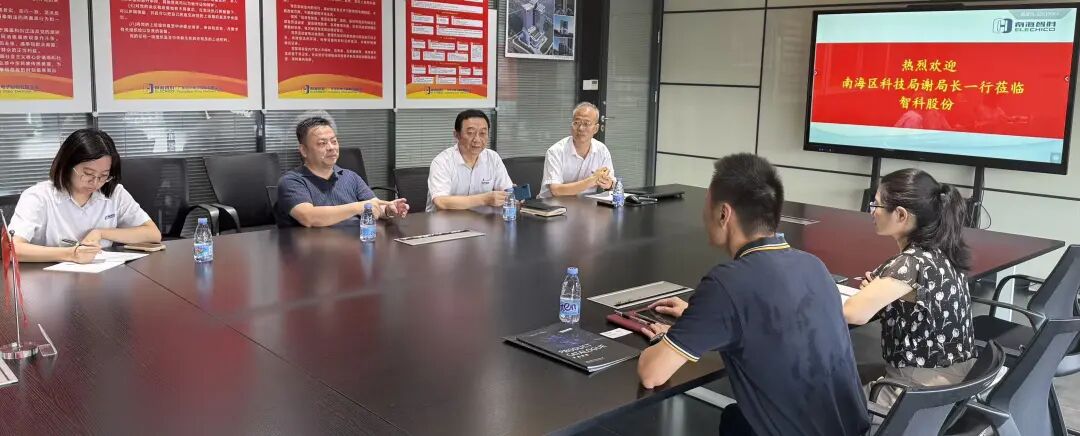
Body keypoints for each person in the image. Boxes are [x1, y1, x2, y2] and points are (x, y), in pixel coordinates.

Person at [637, 153, 869, 436]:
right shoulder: (814, 266)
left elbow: (652, 375)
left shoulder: (726, 284)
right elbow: (772, 320)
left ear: (724, 214)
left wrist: (664, 340)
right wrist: (697, 318)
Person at [843, 168, 976, 408]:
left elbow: (852, 313)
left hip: (918, 389)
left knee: (828, 404)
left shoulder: (909, 264)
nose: (872, 211)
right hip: (956, 381)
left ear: (901, 215)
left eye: (877, 205)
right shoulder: (943, 252)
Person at [7, 128, 161, 263]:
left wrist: (101, 233)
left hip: (101, 278)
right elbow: (12, 249)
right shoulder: (38, 196)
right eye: (88, 173)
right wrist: (71, 254)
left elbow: (152, 234)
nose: (95, 182)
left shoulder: (114, 193)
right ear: (67, 165)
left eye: (104, 175)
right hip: (46, 279)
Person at [276, 117, 409, 227]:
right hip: (313, 248)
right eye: (322, 143)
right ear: (304, 150)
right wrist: (358, 207)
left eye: (334, 141)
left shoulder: (350, 176)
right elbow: (308, 217)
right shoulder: (292, 181)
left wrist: (388, 210)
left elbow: (373, 206)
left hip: (353, 245)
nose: (331, 147)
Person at [427, 109, 513, 212]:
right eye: (470, 133)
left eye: (482, 133)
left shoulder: (493, 158)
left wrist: (510, 195)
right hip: (445, 220)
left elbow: (508, 192)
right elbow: (441, 202)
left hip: (481, 220)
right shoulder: (442, 162)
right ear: (456, 135)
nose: (477, 139)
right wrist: (484, 199)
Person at [538, 102, 615, 198]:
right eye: (576, 123)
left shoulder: (602, 150)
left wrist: (608, 184)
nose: (581, 128)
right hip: (552, 205)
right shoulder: (555, 151)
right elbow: (556, 190)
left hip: (586, 204)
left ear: (596, 128)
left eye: (586, 124)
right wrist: (591, 180)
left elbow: (611, 184)